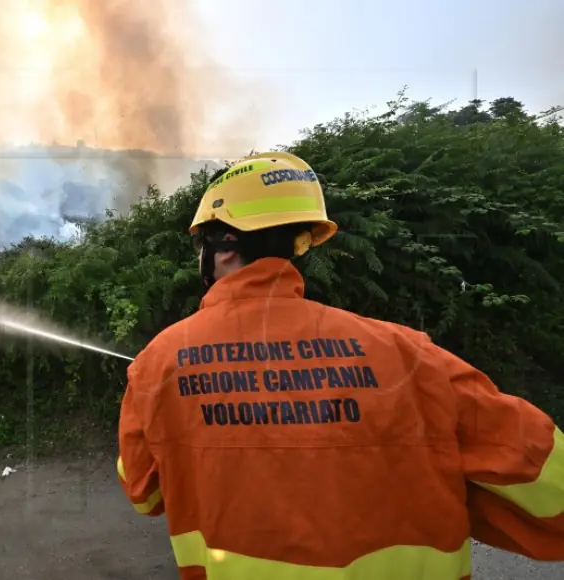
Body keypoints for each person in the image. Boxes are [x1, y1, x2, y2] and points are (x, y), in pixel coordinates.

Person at [116, 151, 564, 580]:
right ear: (299, 242)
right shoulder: (413, 357)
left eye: (202, 243)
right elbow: (546, 481)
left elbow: (143, 493)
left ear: (225, 246)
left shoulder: (159, 363)